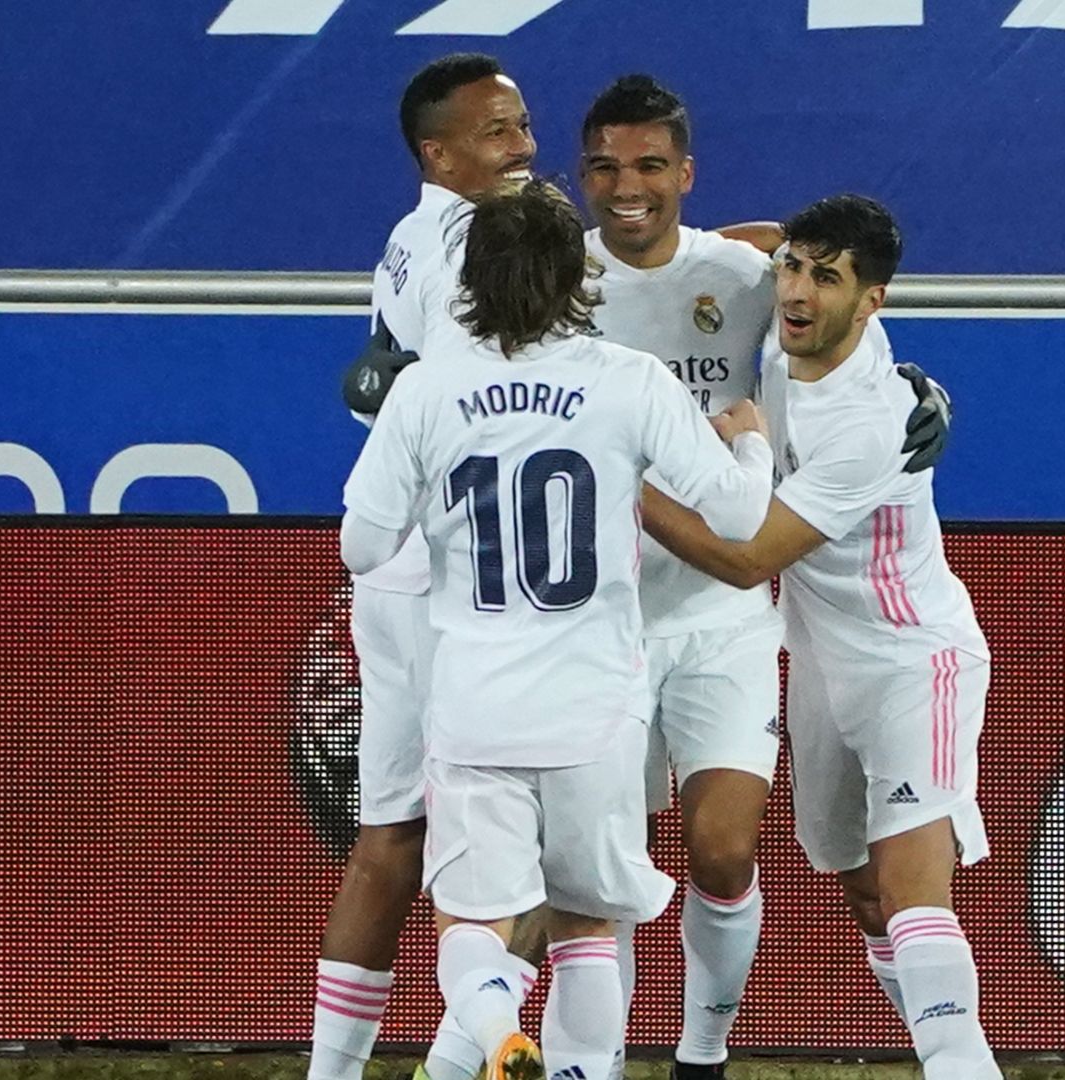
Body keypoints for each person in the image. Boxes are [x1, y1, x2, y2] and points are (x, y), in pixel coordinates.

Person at [339, 179, 778, 1080]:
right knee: (587, 922)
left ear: (472, 279)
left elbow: (362, 546)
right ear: (577, 276)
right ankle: (578, 1069)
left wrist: (431, 493)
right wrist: (750, 437)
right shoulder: (629, 381)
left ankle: (500, 1029)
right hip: (593, 707)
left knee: (472, 920)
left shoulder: (428, 390)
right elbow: (737, 516)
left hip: (473, 705)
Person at [576, 75, 953, 1080]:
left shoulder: (736, 269)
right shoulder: (554, 281)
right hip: (595, 618)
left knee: (724, 853)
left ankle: (702, 1056)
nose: (630, 187)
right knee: (604, 871)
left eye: (651, 165)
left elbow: (828, 270)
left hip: (723, 614)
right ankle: (596, 1062)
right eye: (608, 166)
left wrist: (906, 373)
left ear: (685, 174)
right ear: (582, 175)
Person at [639, 195, 1002, 1080]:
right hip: (818, 665)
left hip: (916, 659)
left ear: (871, 300)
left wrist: (620, 469)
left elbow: (748, 556)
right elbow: (741, 243)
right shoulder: (787, 313)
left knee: (915, 890)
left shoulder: (873, 424)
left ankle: (963, 1064)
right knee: (870, 896)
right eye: (794, 268)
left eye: (824, 278)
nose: (796, 290)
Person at [309, 52, 536, 1080]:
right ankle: (461, 1065)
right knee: (530, 859)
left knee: (388, 838)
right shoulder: (472, 249)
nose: (524, 146)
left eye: (524, 123)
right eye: (497, 132)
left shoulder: (413, 236)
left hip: (395, 580)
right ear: (437, 153)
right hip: (465, 590)